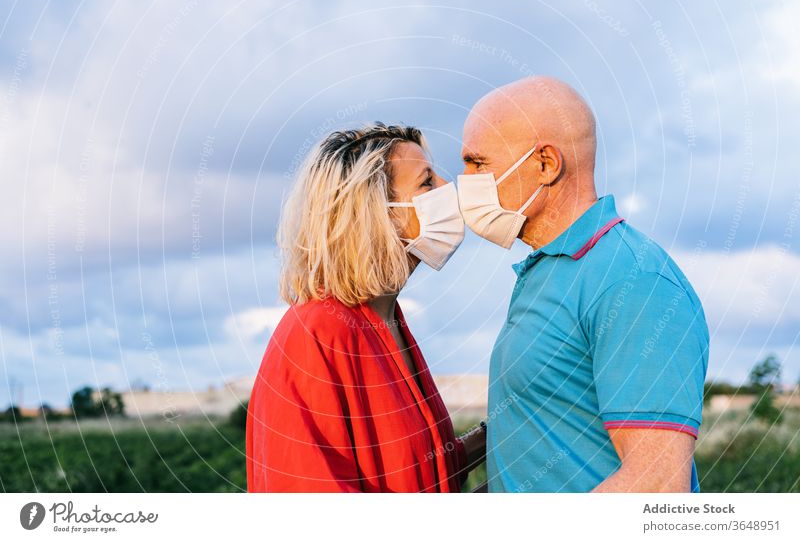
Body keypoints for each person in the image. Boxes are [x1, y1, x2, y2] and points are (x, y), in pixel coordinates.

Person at [457, 76, 709, 492]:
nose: (463, 181)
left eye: (478, 163)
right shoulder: (546, 270)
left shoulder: (633, 281)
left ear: (545, 165)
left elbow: (656, 486)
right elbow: (546, 421)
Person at [247, 122, 485, 492]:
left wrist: (506, 426)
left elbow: (427, 470)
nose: (448, 190)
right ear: (377, 213)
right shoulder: (315, 333)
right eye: (426, 183)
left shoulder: (388, 321)